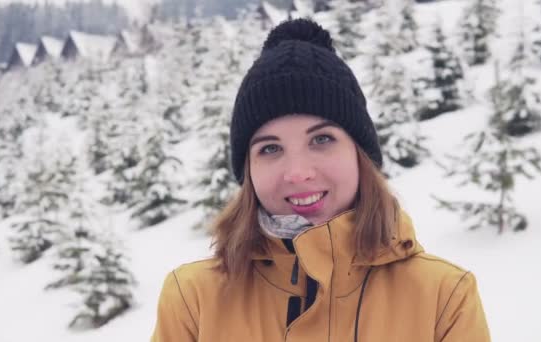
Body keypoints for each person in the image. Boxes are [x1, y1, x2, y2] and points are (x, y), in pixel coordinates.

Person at [150, 19, 490, 342]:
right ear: (248, 169)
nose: (297, 172)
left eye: (321, 139)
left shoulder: (444, 296)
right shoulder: (193, 299)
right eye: (270, 148)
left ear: (359, 154)